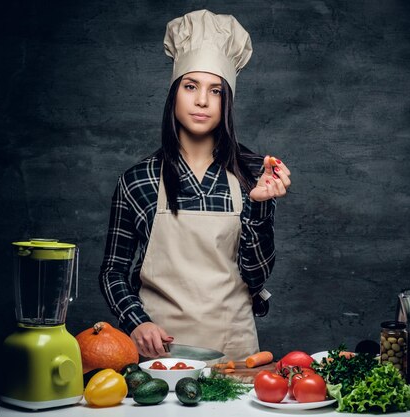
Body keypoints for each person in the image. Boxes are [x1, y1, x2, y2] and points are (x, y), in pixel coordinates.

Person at [98, 9, 292, 361]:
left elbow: (256, 274)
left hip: (236, 359)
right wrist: (136, 322)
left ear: (226, 101)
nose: (202, 100)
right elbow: (113, 271)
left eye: (215, 90)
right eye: (191, 87)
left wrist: (260, 205)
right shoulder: (137, 181)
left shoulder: (254, 174)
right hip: (161, 362)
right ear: (174, 94)